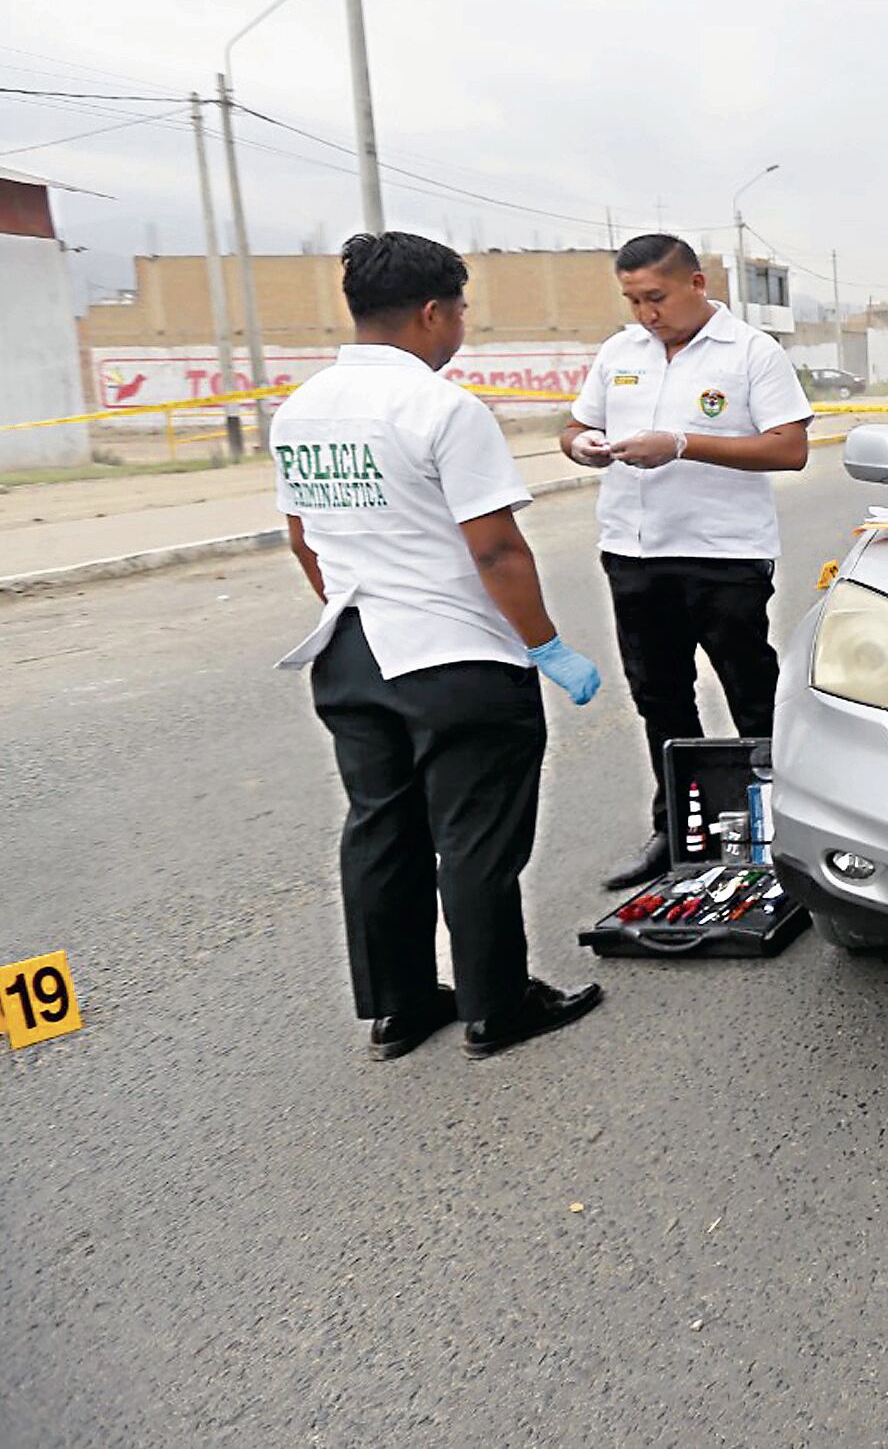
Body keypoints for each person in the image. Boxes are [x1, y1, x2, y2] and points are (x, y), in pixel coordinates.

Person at [273, 232, 605, 1061]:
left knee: (380, 827)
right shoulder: (444, 409)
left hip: (350, 651)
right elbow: (494, 549)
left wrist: (355, 602)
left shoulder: (301, 408)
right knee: (476, 837)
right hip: (454, 658)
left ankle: (402, 1006)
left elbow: (301, 538)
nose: (461, 325)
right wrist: (547, 647)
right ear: (431, 313)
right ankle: (497, 1008)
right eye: (459, 310)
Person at [567, 234, 815, 888]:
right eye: (632, 300)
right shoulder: (619, 353)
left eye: (656, 297)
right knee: (660, 698)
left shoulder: (751, 352)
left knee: (752, 696)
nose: (646, 313)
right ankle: (675, 832)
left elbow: (789, 449)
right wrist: (582, 445)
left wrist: (682, 444)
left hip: (723, 556)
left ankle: (782, 829)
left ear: (697, 284)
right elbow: (570, 427)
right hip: (634, 552)